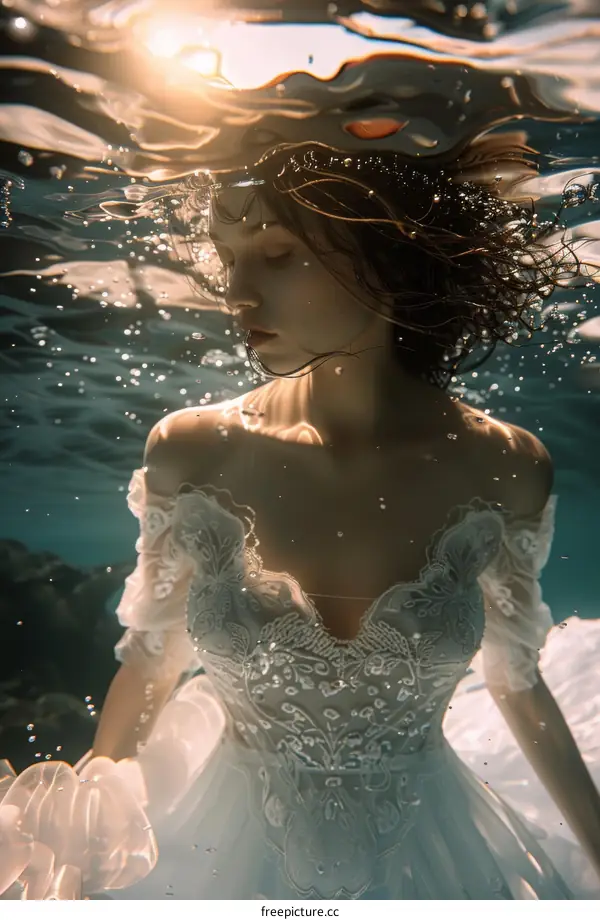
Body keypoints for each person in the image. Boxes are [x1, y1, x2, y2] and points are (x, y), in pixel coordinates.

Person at [2, 140, 600, 900]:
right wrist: (80, 857)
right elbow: (151, 662)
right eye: (229, 259)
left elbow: (517, 682)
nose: (236, 294)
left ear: (388, 257)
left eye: (278, 255)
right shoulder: (191, 452)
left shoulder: (508, 466)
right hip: (211, 854)